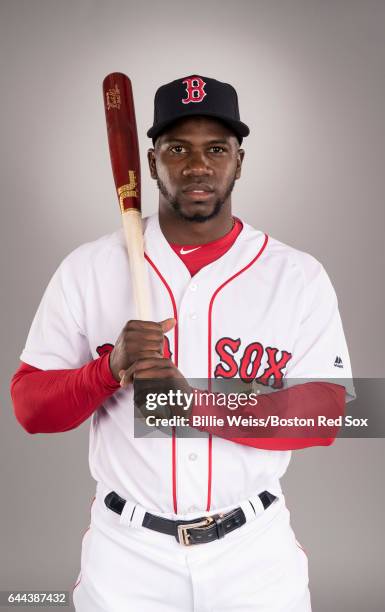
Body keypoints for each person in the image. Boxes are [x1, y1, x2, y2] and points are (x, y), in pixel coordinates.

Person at [11, 75, 355, 611]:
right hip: (128, 555)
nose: (198, 165)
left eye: (216, 148)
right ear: (151, 165)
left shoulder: (297, 275)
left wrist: (192, 405)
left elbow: (327, 414)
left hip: (254, 554)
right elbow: (30, 408)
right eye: (178, 149)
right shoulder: (88, 269)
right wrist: (107, 369)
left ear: (239, 160)